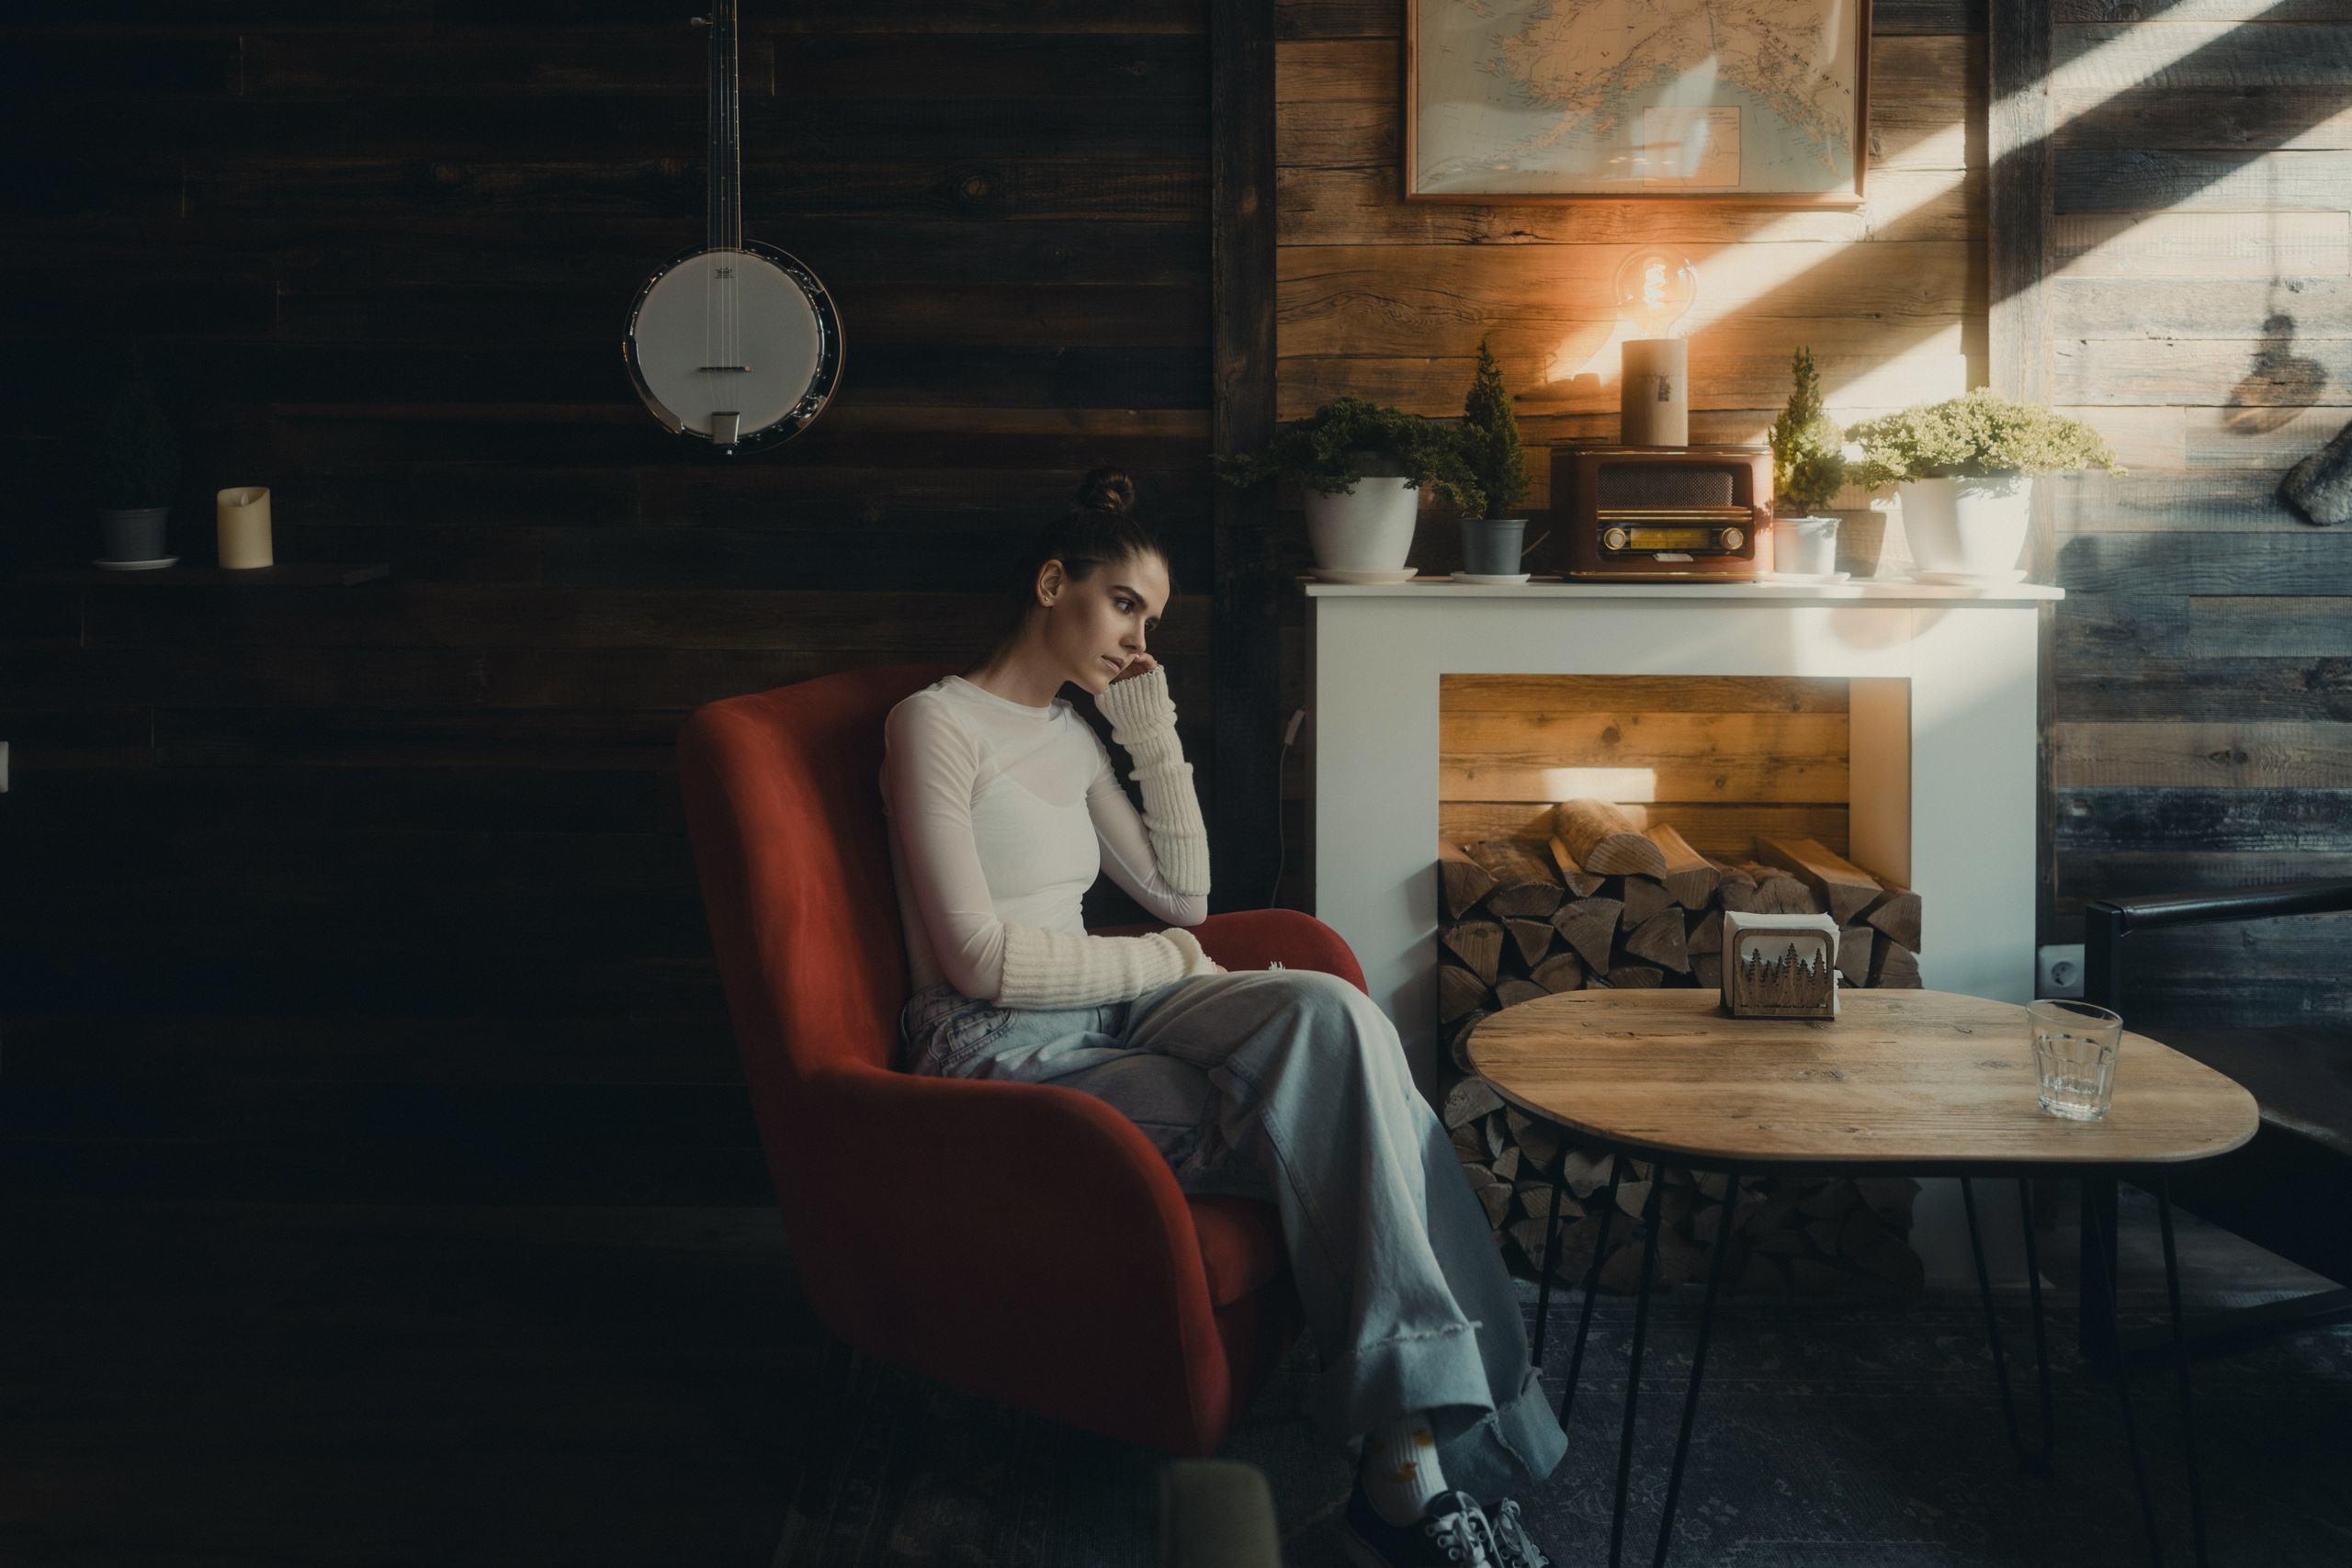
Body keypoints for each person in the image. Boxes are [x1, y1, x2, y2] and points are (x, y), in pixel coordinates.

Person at [880, 469, 1566, 1568]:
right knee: (1346, 1101)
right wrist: (1161, 959)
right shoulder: (934, 725)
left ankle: (1411, 1466)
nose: (1138, 633)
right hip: (998, 1042)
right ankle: (1422, 1470)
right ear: (1053, 583)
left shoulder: (1070, 734)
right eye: (1123, 604)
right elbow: (977, 958)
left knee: (1337, 1019)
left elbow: (1185, 895)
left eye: (1153, 617)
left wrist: (1147, 729)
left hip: (1119, 1008)